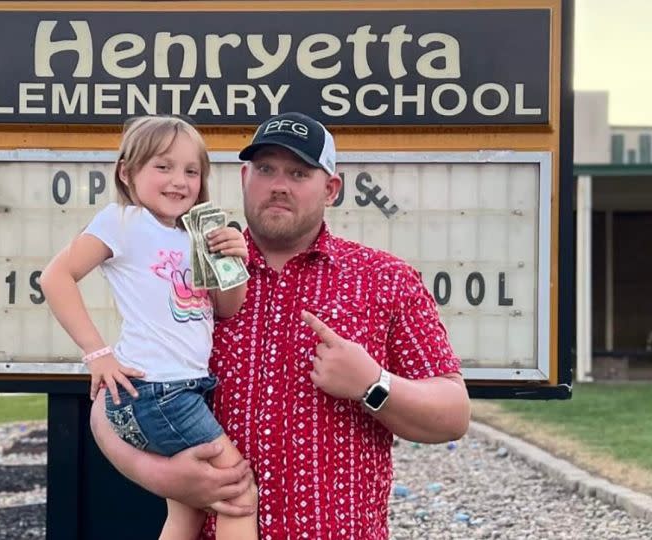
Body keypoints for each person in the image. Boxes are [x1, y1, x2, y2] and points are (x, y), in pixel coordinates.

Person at [90, 112, 471, 539]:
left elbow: (453, 414)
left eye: (299, 172)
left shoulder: (384, 278)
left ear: (331, 189)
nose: (279, 185)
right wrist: (161, 476)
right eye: (266, 169)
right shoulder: (188, 271)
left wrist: (372, 383)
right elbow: (113, 405)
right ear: (243, 177)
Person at [41, 115, 258, 539]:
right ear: (127, 171)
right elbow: (54, 277)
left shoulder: (197, 233)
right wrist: (98, 354)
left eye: (191, 171)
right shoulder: (122, 221)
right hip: (160, 391)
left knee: (188, 514)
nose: (179, 180)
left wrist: (236, 262)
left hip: (185, 387)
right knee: (238, 494)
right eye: (163, 167)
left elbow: (228, 308)